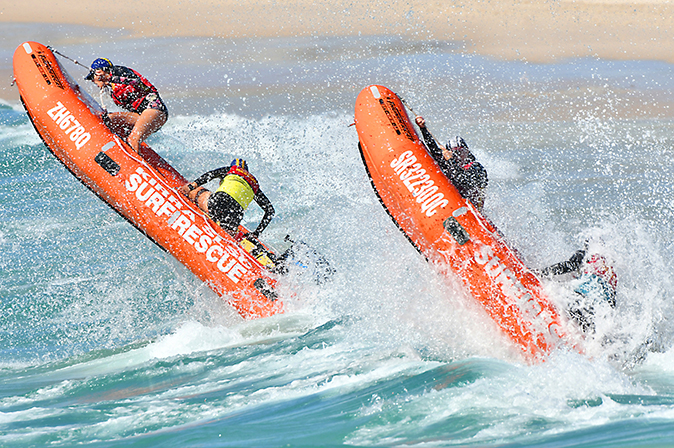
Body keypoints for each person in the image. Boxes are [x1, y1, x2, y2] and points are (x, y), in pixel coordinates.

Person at [85, 58, 168, 153]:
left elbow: (135, 81)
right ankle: (117, 150)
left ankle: (135, 161)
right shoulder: (112, 88)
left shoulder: (118, 71)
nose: (92, 81)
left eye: (92, 77)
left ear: (99, 72)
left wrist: (109, 78)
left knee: (133, 139)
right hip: (140, 116)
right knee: (109, 119)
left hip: (155, 110)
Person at [179, 159, 275, 239]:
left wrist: (191, 186)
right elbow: (270, 211)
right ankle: (228, 240)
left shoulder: (230, 170)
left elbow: (210, 175)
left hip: (218, 202)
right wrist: (256, 233)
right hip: (235, 215)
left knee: (198, 191)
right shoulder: (254, 186)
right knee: (229, 232)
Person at [414, 116, 488, 211]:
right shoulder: (451, 164)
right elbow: (435, 151)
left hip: (472, 210)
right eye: (454, 152)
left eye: (460, 151)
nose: (458, 155)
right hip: (454, 206)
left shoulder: (477, 168)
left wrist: (450, 160)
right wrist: (423, 128)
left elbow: (462, 179)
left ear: (467, 151)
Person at [539, 245, 618, 333]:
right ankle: (590, 334)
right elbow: (612, 302)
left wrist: (542, 273)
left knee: (566, 297)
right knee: (588, 318)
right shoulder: (611, 274)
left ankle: (581, 327)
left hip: (586, 293)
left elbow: (567, 266)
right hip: (600, 303)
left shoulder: (586, 255)